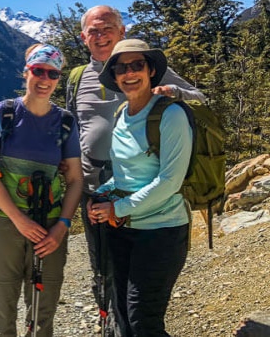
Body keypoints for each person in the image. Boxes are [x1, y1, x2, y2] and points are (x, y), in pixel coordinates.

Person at [64, 5, 204, 334]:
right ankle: (112, 329)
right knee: (107, 275)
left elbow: (199, 99)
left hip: (145, 204)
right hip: (99, 193)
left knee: (142, 309)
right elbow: (73, 127)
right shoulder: (77, 79)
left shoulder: (151, 74)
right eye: (93, 32)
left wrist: (175, 92)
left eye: (107, 28)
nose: (100, 36)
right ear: (84, 38)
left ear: (122, 31)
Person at [0, 43, 83, 336]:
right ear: (26, 72)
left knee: (43, 310)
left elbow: (75, 179)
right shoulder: (2, 114)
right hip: (2, 222)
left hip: (48, 226)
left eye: (52, 73)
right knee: (0, 309)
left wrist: (61, 227)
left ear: (58, 79)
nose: (44, 79)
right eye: (38, 71)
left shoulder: (64, 123)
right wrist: (19, 220)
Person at [89, 39, 192, 336]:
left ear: (150, 70)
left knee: (142, 319)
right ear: (115, 75)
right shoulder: (122, 114)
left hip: (161, 232)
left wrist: (116, 208)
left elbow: (170, 182)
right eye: (122, 68)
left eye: (137, 65)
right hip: (122, 230)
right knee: (123, 315)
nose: (129, 73)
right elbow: (123, 177)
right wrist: (102, 196)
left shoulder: (171, 115)